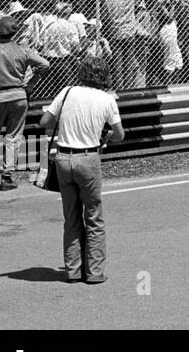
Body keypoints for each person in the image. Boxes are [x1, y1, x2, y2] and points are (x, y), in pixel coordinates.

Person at [39, 56, 125, 284]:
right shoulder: (107, 99)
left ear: (82, 74)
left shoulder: (67, 92)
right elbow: (120, 135)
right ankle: (95, 271)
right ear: (104, 76)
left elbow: (44, 122)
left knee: (71, 216)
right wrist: (107, 136)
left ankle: (73, 270)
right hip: (88, 157)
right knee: (94, 216)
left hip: (63, 157)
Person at [0, 15, 50, 190]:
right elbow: (45, 64)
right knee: (13, 136)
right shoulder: (23, 50)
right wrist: (31, 83)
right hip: (19, 96)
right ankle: (7, 176)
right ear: (15, 32)